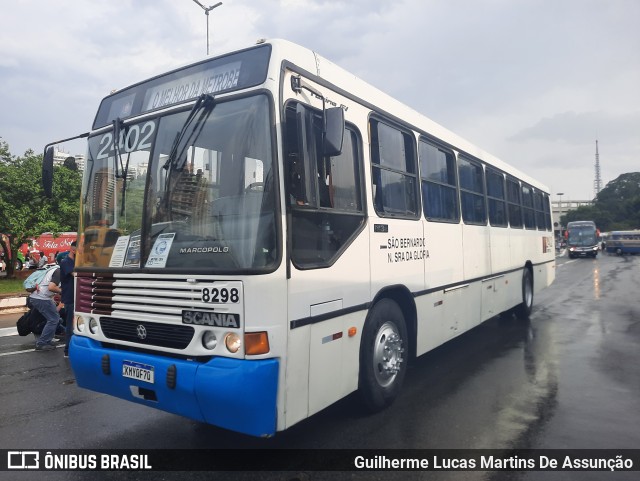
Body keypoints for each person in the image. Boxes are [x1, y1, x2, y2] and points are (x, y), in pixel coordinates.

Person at [29, 264, 62, 351]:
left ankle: (46, 339)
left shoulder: (55, 269)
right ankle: (42, 343)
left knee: (55, 319)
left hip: (39, 297)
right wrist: (64, 291)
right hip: (41, 298)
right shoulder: (58, 271)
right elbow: (51, 287)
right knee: (53, 319)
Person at [59, 241, 76, 358]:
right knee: (70, 325)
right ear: (73, 249)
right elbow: (76, 275)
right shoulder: (66, 262)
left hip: (77, 297)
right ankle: (67, 350)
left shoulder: (77, 262)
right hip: (70, 298)